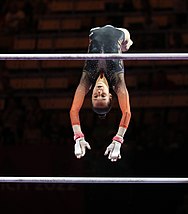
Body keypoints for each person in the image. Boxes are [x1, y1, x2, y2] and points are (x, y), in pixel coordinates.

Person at [70, 25, 133, 162]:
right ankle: (126, 45)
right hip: (120, 33)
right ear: (110, 95)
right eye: (103, 96)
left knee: (97, 34)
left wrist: (78, 135)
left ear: (90, 93)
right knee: (127, 40)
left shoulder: (87, 80)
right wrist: (118, 139)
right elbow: (127, 112)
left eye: (95, 96)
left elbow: (74, 110)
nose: (99, 92)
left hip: (94, 31)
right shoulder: (117, 82)